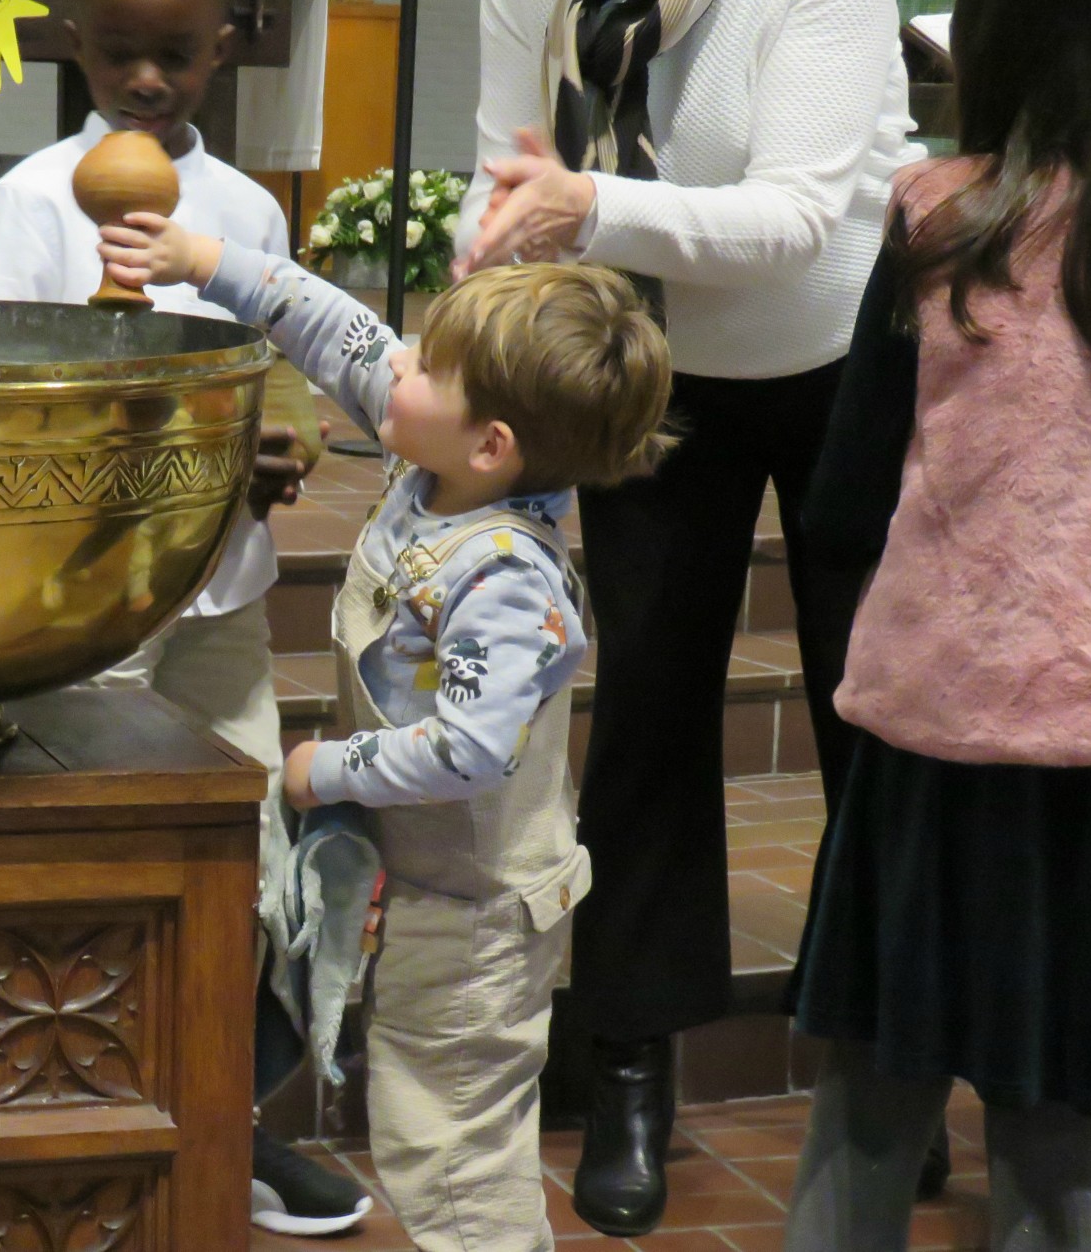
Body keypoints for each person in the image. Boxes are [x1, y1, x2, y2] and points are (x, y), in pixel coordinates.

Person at [448, 0, 921, 1229]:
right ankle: (632, 1070)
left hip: (838, 347)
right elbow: (500, 163)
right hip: (644, 359)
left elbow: (793, 215)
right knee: (648, 704)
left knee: (872, 711)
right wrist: (498, 239)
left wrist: (585, 204)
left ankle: (893, 1071)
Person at [783, 0, 1091, 1252]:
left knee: (869, 1112)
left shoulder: (943, 218)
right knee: (1067, 1129)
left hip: (945, 739)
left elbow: (842, 497)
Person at [100, 212, 672, 1252]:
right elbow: (338, 331)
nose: (394, 367)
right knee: (428, 1135)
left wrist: (327, 769)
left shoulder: (502, 577)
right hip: (430, 888)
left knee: (448, 1152)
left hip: (481, 919)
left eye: (427, 367)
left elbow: (466, 748)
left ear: (490, 443)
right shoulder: (444, 457)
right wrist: (203, 265)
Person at [0, 0, 368, 1238]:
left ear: (227, 49)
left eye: (175, 54)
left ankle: (223, 1126)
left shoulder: (245, 208)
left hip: (222, 598)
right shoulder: (27, 204)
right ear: (73, 42)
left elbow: (254, 380)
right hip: (90, 605)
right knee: (104, 867)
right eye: (118, 50)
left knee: (249, 875)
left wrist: (262, 456)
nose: (145, 78)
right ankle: (74, 1117)